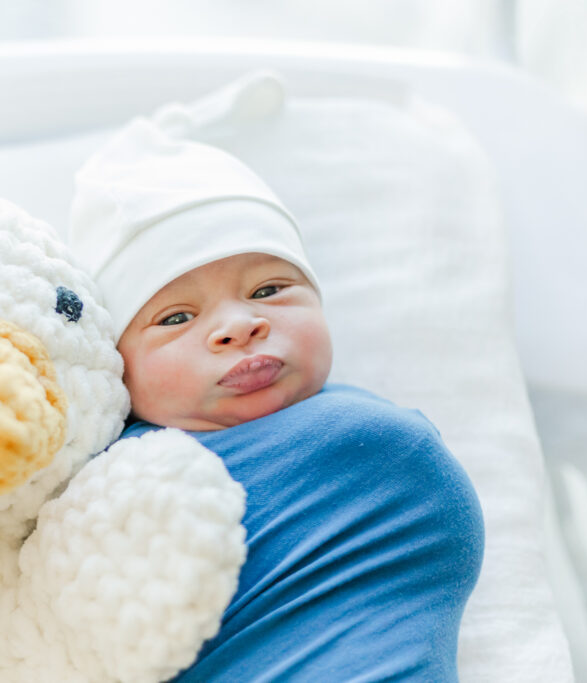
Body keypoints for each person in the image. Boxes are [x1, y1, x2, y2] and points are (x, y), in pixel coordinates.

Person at [69, 116, 485, 681]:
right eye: (176, 317)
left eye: (268, 289)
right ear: (118, 369)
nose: (239, 326)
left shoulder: (371, 450)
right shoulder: (90, 480)